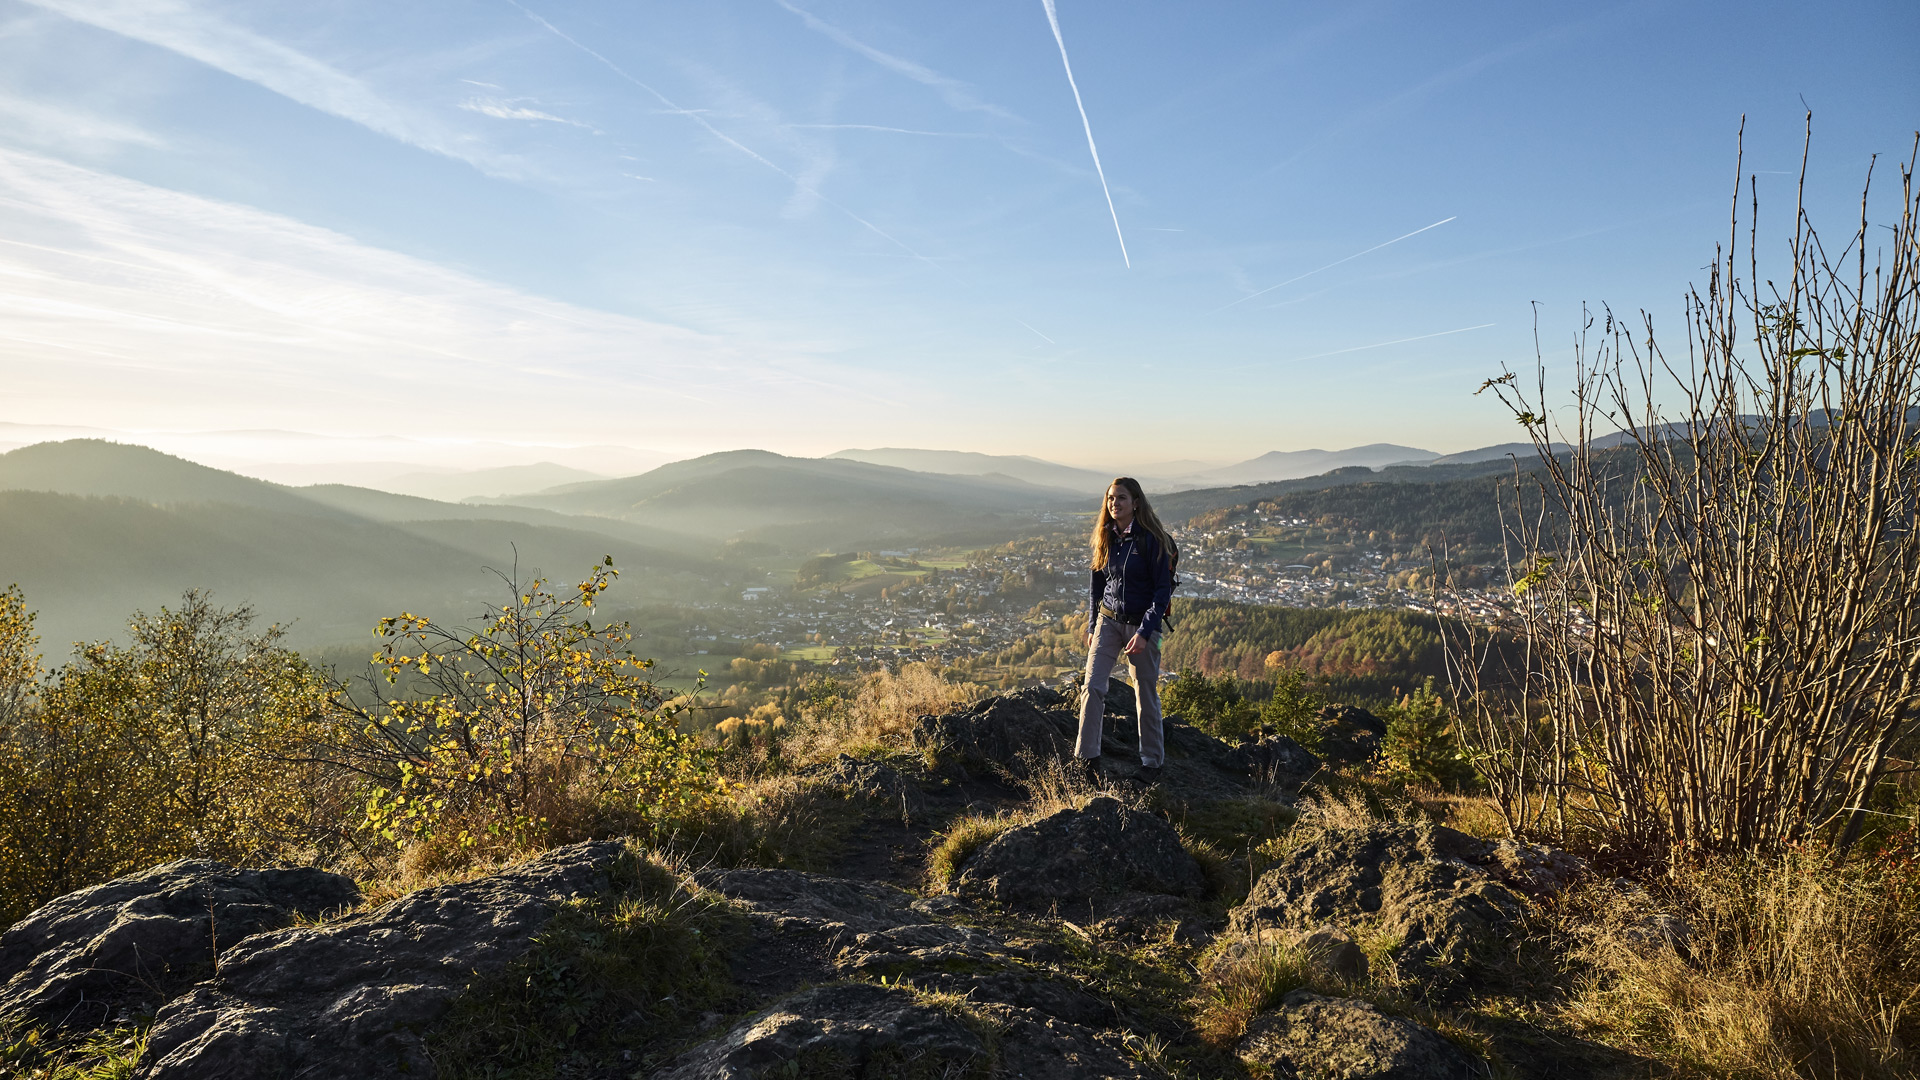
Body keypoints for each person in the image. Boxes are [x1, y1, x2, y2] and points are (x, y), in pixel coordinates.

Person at [1077, 476, 1178, 783]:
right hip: (1108, 621)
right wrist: (1094, 625)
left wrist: (1146, 631)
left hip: (1141, 624)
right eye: (1110, 498)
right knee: (1092, 686)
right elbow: (1097, 587)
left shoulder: (1152, 540)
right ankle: (1087, 758)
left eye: (1120, 498)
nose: (1114, 503)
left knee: (1145, 692)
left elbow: (1162, 592)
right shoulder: (1105, 538)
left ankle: (1151, 762)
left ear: (1136, 503)